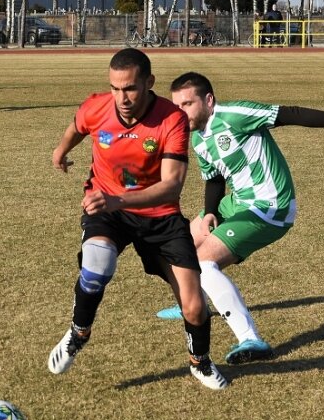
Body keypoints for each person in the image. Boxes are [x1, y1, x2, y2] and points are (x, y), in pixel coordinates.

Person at [156, 72, 324, 365]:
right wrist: (210, 210)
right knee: (177, 244)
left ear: (209, 100)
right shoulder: (197, 136)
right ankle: (192, 299)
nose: (180, 112)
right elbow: (214, 180)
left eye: (187, 103)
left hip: (270, 206)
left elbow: (290, 114)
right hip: (236, 202)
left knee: (202, 262)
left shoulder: (235, 115)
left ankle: (251, 340)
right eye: (177, 105)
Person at [47, 48, 228, 390]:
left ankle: (200, 363)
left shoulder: (171, 118)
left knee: (194, 305)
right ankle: (78, 332)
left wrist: (117, 199)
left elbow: (171, 185)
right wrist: (61, 151)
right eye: (115, 88)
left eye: (130, 88)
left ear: (149, 83)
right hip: (107, 211)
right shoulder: (97, 106)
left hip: (159, 217)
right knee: (96, 263)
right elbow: (76, 127)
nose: (122, 97)